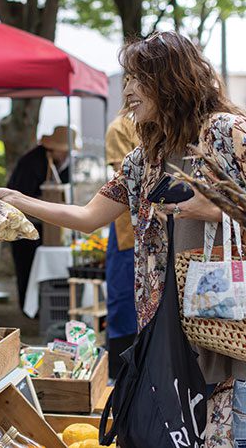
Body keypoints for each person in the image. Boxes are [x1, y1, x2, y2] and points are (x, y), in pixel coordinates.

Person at [0, 31, 246, 447]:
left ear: (170, 80)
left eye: (137, 78)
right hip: (167, 322)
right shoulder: (144, 157)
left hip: (232, 318)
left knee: (232, 429)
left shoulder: (227, 132)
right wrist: (17, 198)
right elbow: (88, 216)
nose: (127, 89)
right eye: (127, 78)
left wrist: (214, 209)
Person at [6, 126, 72, 311]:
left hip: (48, 226)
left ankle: (43, 308)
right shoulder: (31, 162)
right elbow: (19, 197)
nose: (66, 155)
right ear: (53, 148)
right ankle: (28, 310)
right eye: (64, 151)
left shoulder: (62, 163)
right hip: (23, 226)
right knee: (26, 267)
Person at [103, 112, 139, 380]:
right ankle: (121, 375)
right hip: (128, 228)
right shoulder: (119, 128)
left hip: (163, 228)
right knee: (124, 299)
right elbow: (126, 180)